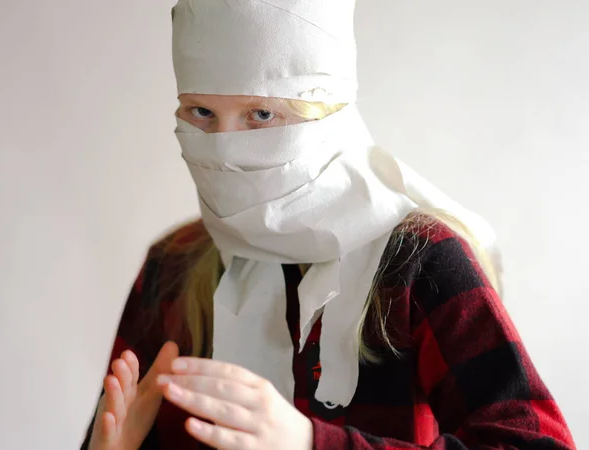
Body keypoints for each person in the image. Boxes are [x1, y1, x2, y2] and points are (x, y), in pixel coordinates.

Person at [81, 0, 576, 449]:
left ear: (327, 115)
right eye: (202, 112)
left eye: (261, 113)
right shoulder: (174, 264)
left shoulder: (418, 261)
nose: (226, 149)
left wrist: (308, 444)